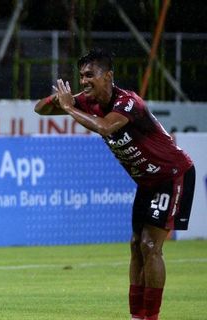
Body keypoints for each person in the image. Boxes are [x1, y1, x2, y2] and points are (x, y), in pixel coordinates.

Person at [34, 49, 195, 320]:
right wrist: (59, 99)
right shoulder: (86, 100)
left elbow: (105, 128)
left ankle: (150, 316)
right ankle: (136, 316)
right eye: (82, 76)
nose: (84, 81)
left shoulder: (129, 103)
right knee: (136, 245)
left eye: (90, 75)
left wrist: (69, 107)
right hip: (147, 183)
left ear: (108, 76)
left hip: (172, 175)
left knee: (151, 246)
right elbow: (39, 109)